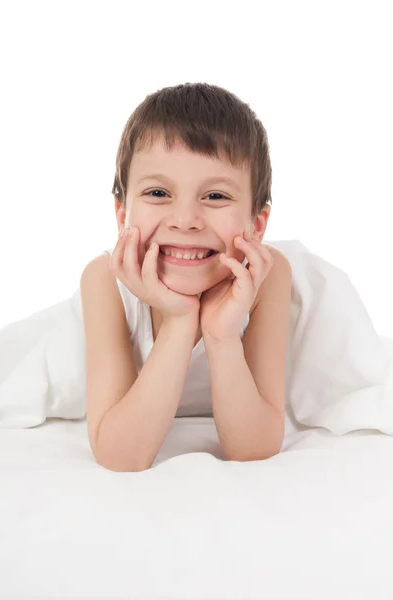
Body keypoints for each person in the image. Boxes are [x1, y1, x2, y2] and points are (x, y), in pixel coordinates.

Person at [80, 82, 292, 472]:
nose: (185, 221)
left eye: (215, 197)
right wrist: (178, 321)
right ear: (122, 214)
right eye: (159, 192)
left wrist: (221, 335)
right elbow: (120, 455)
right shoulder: (103, 281)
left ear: (257, 225)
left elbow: (255, 448)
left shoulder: (270, 279)